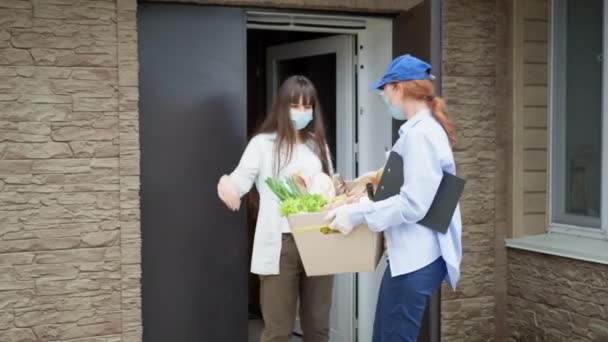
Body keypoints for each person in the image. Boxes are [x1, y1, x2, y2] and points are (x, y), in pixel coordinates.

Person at [325, 54, 462, 342]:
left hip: (417, 257)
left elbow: (414, 203)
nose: (383, 97)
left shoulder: (421, 135)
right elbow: (412, 189)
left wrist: (357, 214)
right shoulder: (420, 131)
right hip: (414, 256)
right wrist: (366, 191)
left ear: (398, 88)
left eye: (384, 90)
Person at [217, 75, 334, 342]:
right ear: (282, 106)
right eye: (296, 105)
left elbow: (329, 190)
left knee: (318, 328)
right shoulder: (263, 144)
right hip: (281, 243)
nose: (302, 112)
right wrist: (228, 187)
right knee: (278, 331)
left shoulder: (318, 144)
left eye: (308, 106)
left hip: (319, 238)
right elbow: (240, 179)